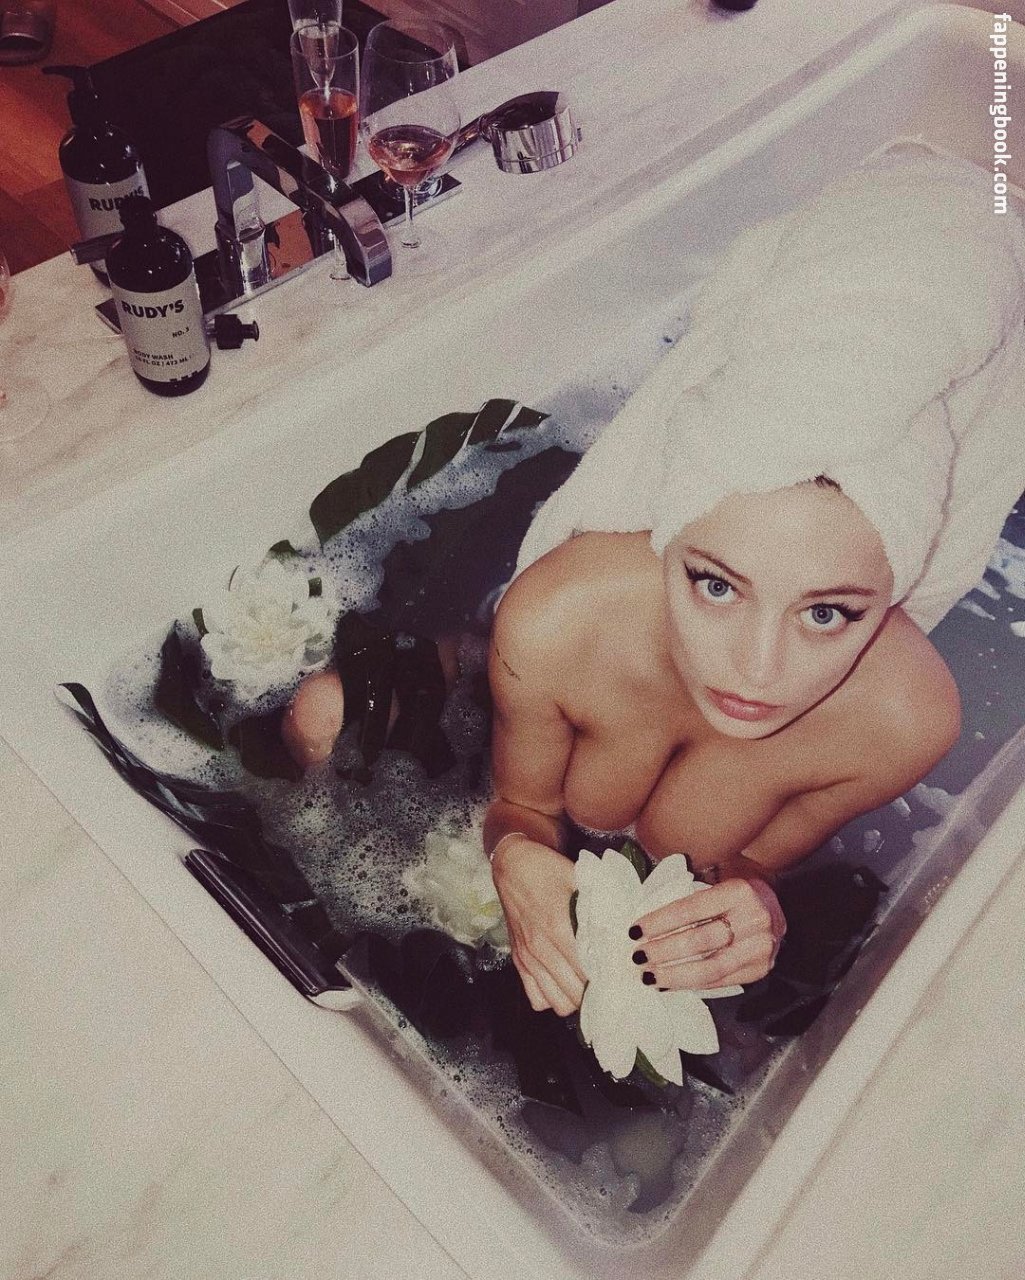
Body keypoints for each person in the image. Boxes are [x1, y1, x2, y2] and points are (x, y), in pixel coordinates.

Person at [482, 143, 1025, 1017]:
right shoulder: (559, 619)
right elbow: (521, 802)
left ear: (893, 590)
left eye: (828, 613)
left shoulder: (902, 720)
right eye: (715, 586)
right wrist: (514, 849)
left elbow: (754, 859)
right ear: (671, 534)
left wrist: (758, 904)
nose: (756, 670)